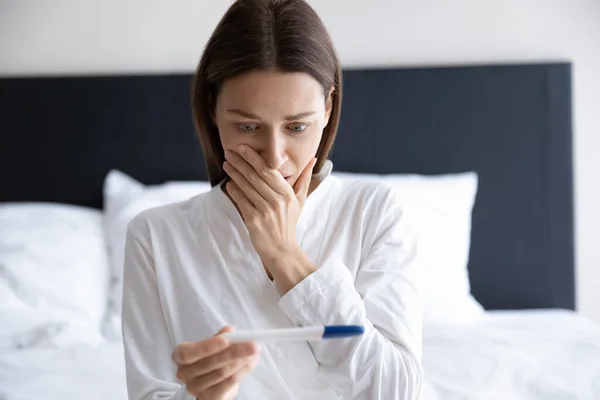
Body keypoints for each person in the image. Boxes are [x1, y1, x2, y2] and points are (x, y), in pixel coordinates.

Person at [121, 0, 422, 399]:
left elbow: (398, 391)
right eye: (248, 126)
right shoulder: (156, 236)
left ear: (328, 107)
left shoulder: (374, 212)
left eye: (297, 126)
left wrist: (285, 255)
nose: (275, 157)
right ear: (212, 109)